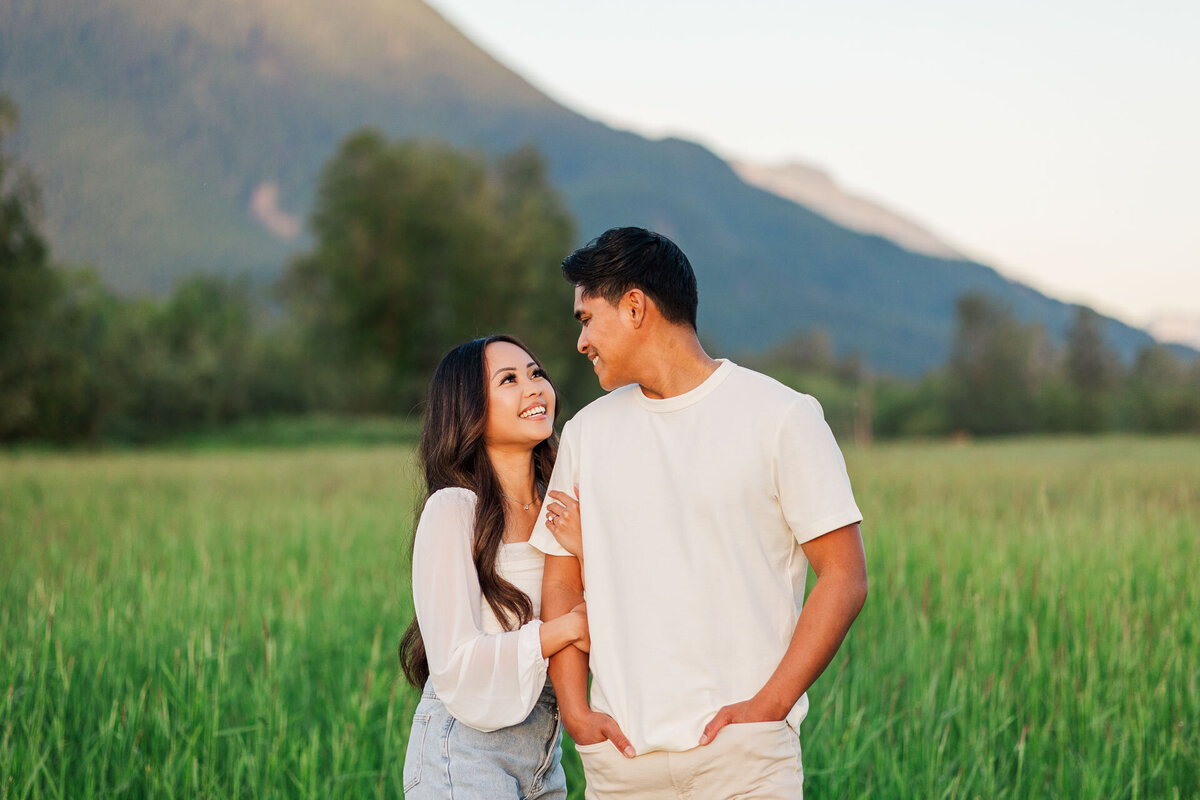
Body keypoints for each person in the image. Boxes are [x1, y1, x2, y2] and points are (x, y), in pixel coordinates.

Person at [531, 227, 869, 799]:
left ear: (635, 306)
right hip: (621, 764)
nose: (581, 341)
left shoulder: (783, 416)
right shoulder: (587, 433)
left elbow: (844, 576)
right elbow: (560, 580)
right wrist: (576, 714)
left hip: (745, 763)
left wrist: (770, 707)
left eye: (587, 318)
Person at [399, 335, 591, 800]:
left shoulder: (562, 506)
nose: (534, 388)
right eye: (509, 380)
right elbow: (455, 661)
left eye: (536, 373)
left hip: (545, 753)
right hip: (463, 752)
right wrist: (560, 630)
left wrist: (587, 549)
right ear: (470, 410)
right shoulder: (454, 510)